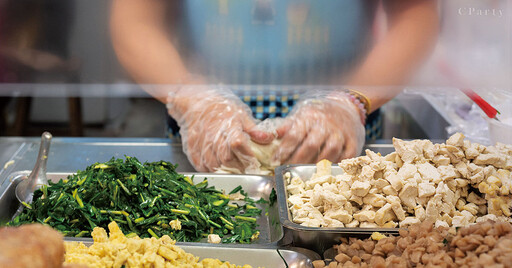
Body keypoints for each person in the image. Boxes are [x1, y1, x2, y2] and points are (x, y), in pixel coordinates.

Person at [110, 0, 439, 173]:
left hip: (340, 128)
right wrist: (193, 100)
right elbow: (136, 16)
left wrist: (349, 103)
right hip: (202, 129)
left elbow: (415, 14)